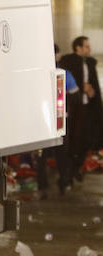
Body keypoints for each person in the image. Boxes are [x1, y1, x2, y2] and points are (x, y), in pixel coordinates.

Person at [37, 44, 79, 196]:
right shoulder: (64, 74)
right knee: (62, 154)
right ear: (58, 56)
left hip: (41, 122)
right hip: (60, 121)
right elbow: (75, 96)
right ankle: (63, 183)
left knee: (41, 155)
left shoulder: (37, 75)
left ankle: (42, 186)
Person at [59, 36, 103, 179]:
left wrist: (92, 92)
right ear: (78, 47)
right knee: (73, 140)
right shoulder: (68, 62)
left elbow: (92, 83)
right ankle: (69, 172)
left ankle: (76, 167)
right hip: (73, 108)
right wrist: (80, 86)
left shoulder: (89, 63)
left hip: (87, 106)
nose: (89, 49)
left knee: (87, 138)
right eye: (86, 46)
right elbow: (67, 82)